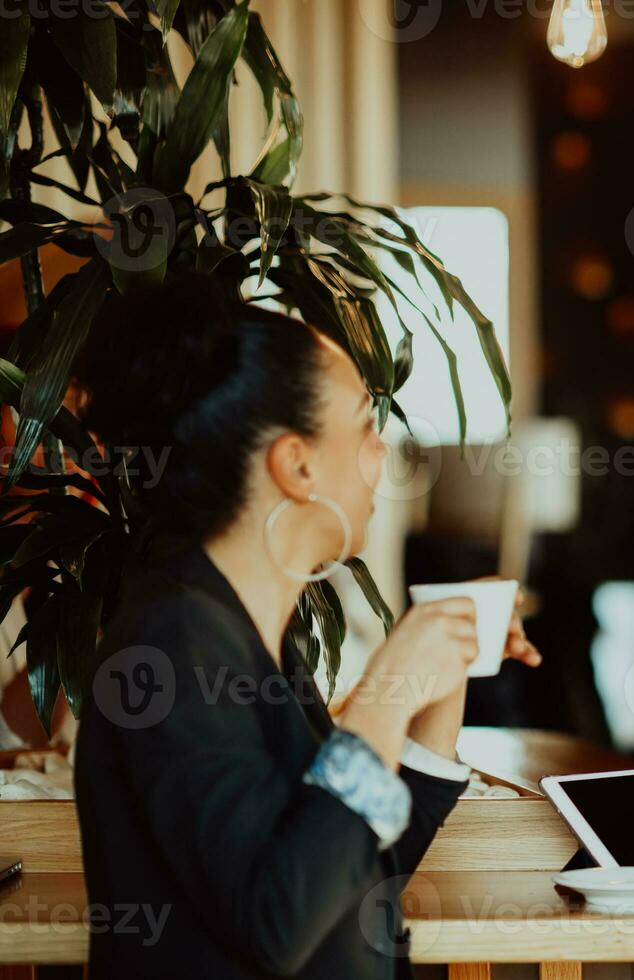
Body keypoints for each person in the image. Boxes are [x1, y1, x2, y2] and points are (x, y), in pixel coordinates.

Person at [71, 271, 541, 978]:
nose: (384, 455)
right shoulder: (169, 647)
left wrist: (438, 677)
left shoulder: (259, 643)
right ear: (295, 464)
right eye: (362, 428)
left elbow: (355, 867)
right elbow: (278, 917)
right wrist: (387, 690)